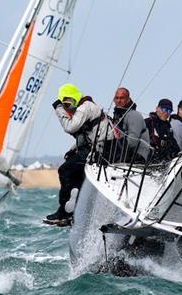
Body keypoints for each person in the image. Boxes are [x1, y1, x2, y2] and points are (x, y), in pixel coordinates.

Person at [44, 83, 113, 226]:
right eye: (66, 104)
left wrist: (59, 109)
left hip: (98, 151)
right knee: (78, 176)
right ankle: (76, 212)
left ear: (76, 97)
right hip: (95, 148)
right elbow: (86, 136)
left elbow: (70, 127)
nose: (69, 107)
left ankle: (63, 212)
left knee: (64, 170)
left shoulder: (85, 106)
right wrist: (72, 149)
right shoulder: (84, 108)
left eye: (69, 102)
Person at [109, 87, 151, 163]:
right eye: (117, 98)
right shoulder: (117, 116)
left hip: (138, 155)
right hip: (123, 153)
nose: (119, 100)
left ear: (128, 99)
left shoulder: (134, 115)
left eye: (122, 98)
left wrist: (115, 145)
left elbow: (133, 140)